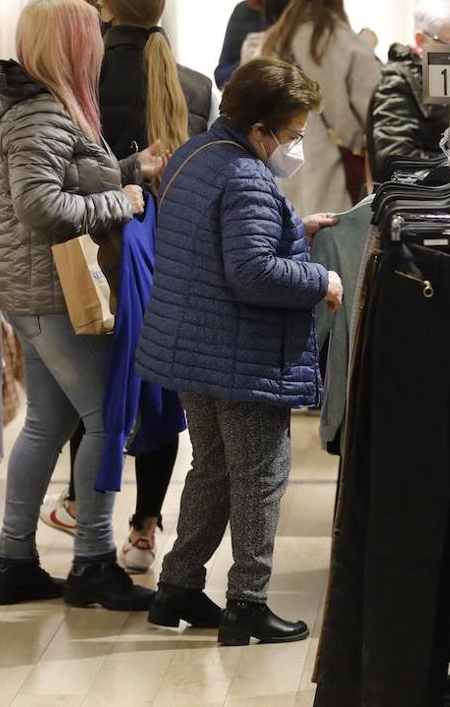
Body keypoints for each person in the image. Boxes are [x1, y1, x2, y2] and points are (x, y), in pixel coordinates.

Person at [136, 56, 342, 645]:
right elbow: (251, 272)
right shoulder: (248, 175)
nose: (295, 145)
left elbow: (212, 242)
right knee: (261, 475)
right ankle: (247, 603)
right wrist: (320, 281)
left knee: (216, 470)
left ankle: (176, 586)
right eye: (293, 134)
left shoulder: (193, 155)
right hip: (240, 354)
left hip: (191, 346)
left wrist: (292, 230)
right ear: (260, 130)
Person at [0, 0, 165, 611]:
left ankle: (15, 563)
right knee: (108, 419)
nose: (100, 46)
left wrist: (129, 166)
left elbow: (66, 178)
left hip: (35, 291)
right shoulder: (41, 114)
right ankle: (91, 562)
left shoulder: (40, 109)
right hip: (51, 294)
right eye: (92, 35)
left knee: (47, 423)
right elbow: (41, 209)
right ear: (69, 45)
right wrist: (126, 198)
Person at [37, 0, 213, 574]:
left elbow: (65, 173)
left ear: (104, 7)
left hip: (97, 248)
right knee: (161, 388)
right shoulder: (191, 83)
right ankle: (144, 531)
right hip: (170, 251)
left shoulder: (80, 77)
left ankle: (84, 512)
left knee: (100, 385)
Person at [262, 0, 381, 216]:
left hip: (278, 160)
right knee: (328, 244)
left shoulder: (273, 40)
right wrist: (355, 141)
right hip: (330, 162)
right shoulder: (347, 43)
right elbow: (372, 109)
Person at [96, 0, 215, 161]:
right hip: (177, 192)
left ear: (107, 12)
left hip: (106, 192)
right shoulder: (200, 86)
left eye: (98, 2)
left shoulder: (84, 80)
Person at [365, 0, 450, 182]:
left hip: (443, 197)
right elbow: (395, 157)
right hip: (417, 201)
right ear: (421, 39)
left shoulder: (445, 77)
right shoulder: (397, 83)